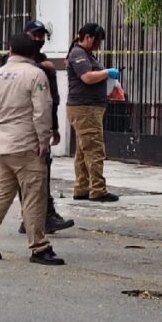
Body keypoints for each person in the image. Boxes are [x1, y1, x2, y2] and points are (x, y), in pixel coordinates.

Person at [0, 33, 64, 266]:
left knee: (2, 194)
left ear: (10, 50)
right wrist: (43, 141)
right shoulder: (35, 74)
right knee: (34, 197)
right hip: (27, 146)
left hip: (3, 145)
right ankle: (39, 247)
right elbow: (41, 111)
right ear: (33, 52)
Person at [17, 20, 74, 235]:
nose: (39, 39)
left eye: (41, 36)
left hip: (42, 127)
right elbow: (17, 73)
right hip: (25, 128)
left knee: (42, 174)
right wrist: (43, 68)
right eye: (35, 35)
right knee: (28, 177)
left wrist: (55, 127)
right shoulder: (16, 58)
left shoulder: (43, 61)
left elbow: (52, 100)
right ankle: (37, 220)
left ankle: (40, 217)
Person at [66, 23, 120, 202]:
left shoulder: (86, 54)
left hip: (88, 106)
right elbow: (87, 77)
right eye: (97, 41)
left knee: (83, 149)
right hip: (85, 108)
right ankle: (97, 189)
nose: (98, 45)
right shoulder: (78, 53)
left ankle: (82, 187)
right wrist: (107, 73)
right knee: (94, 148)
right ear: (88, 37)